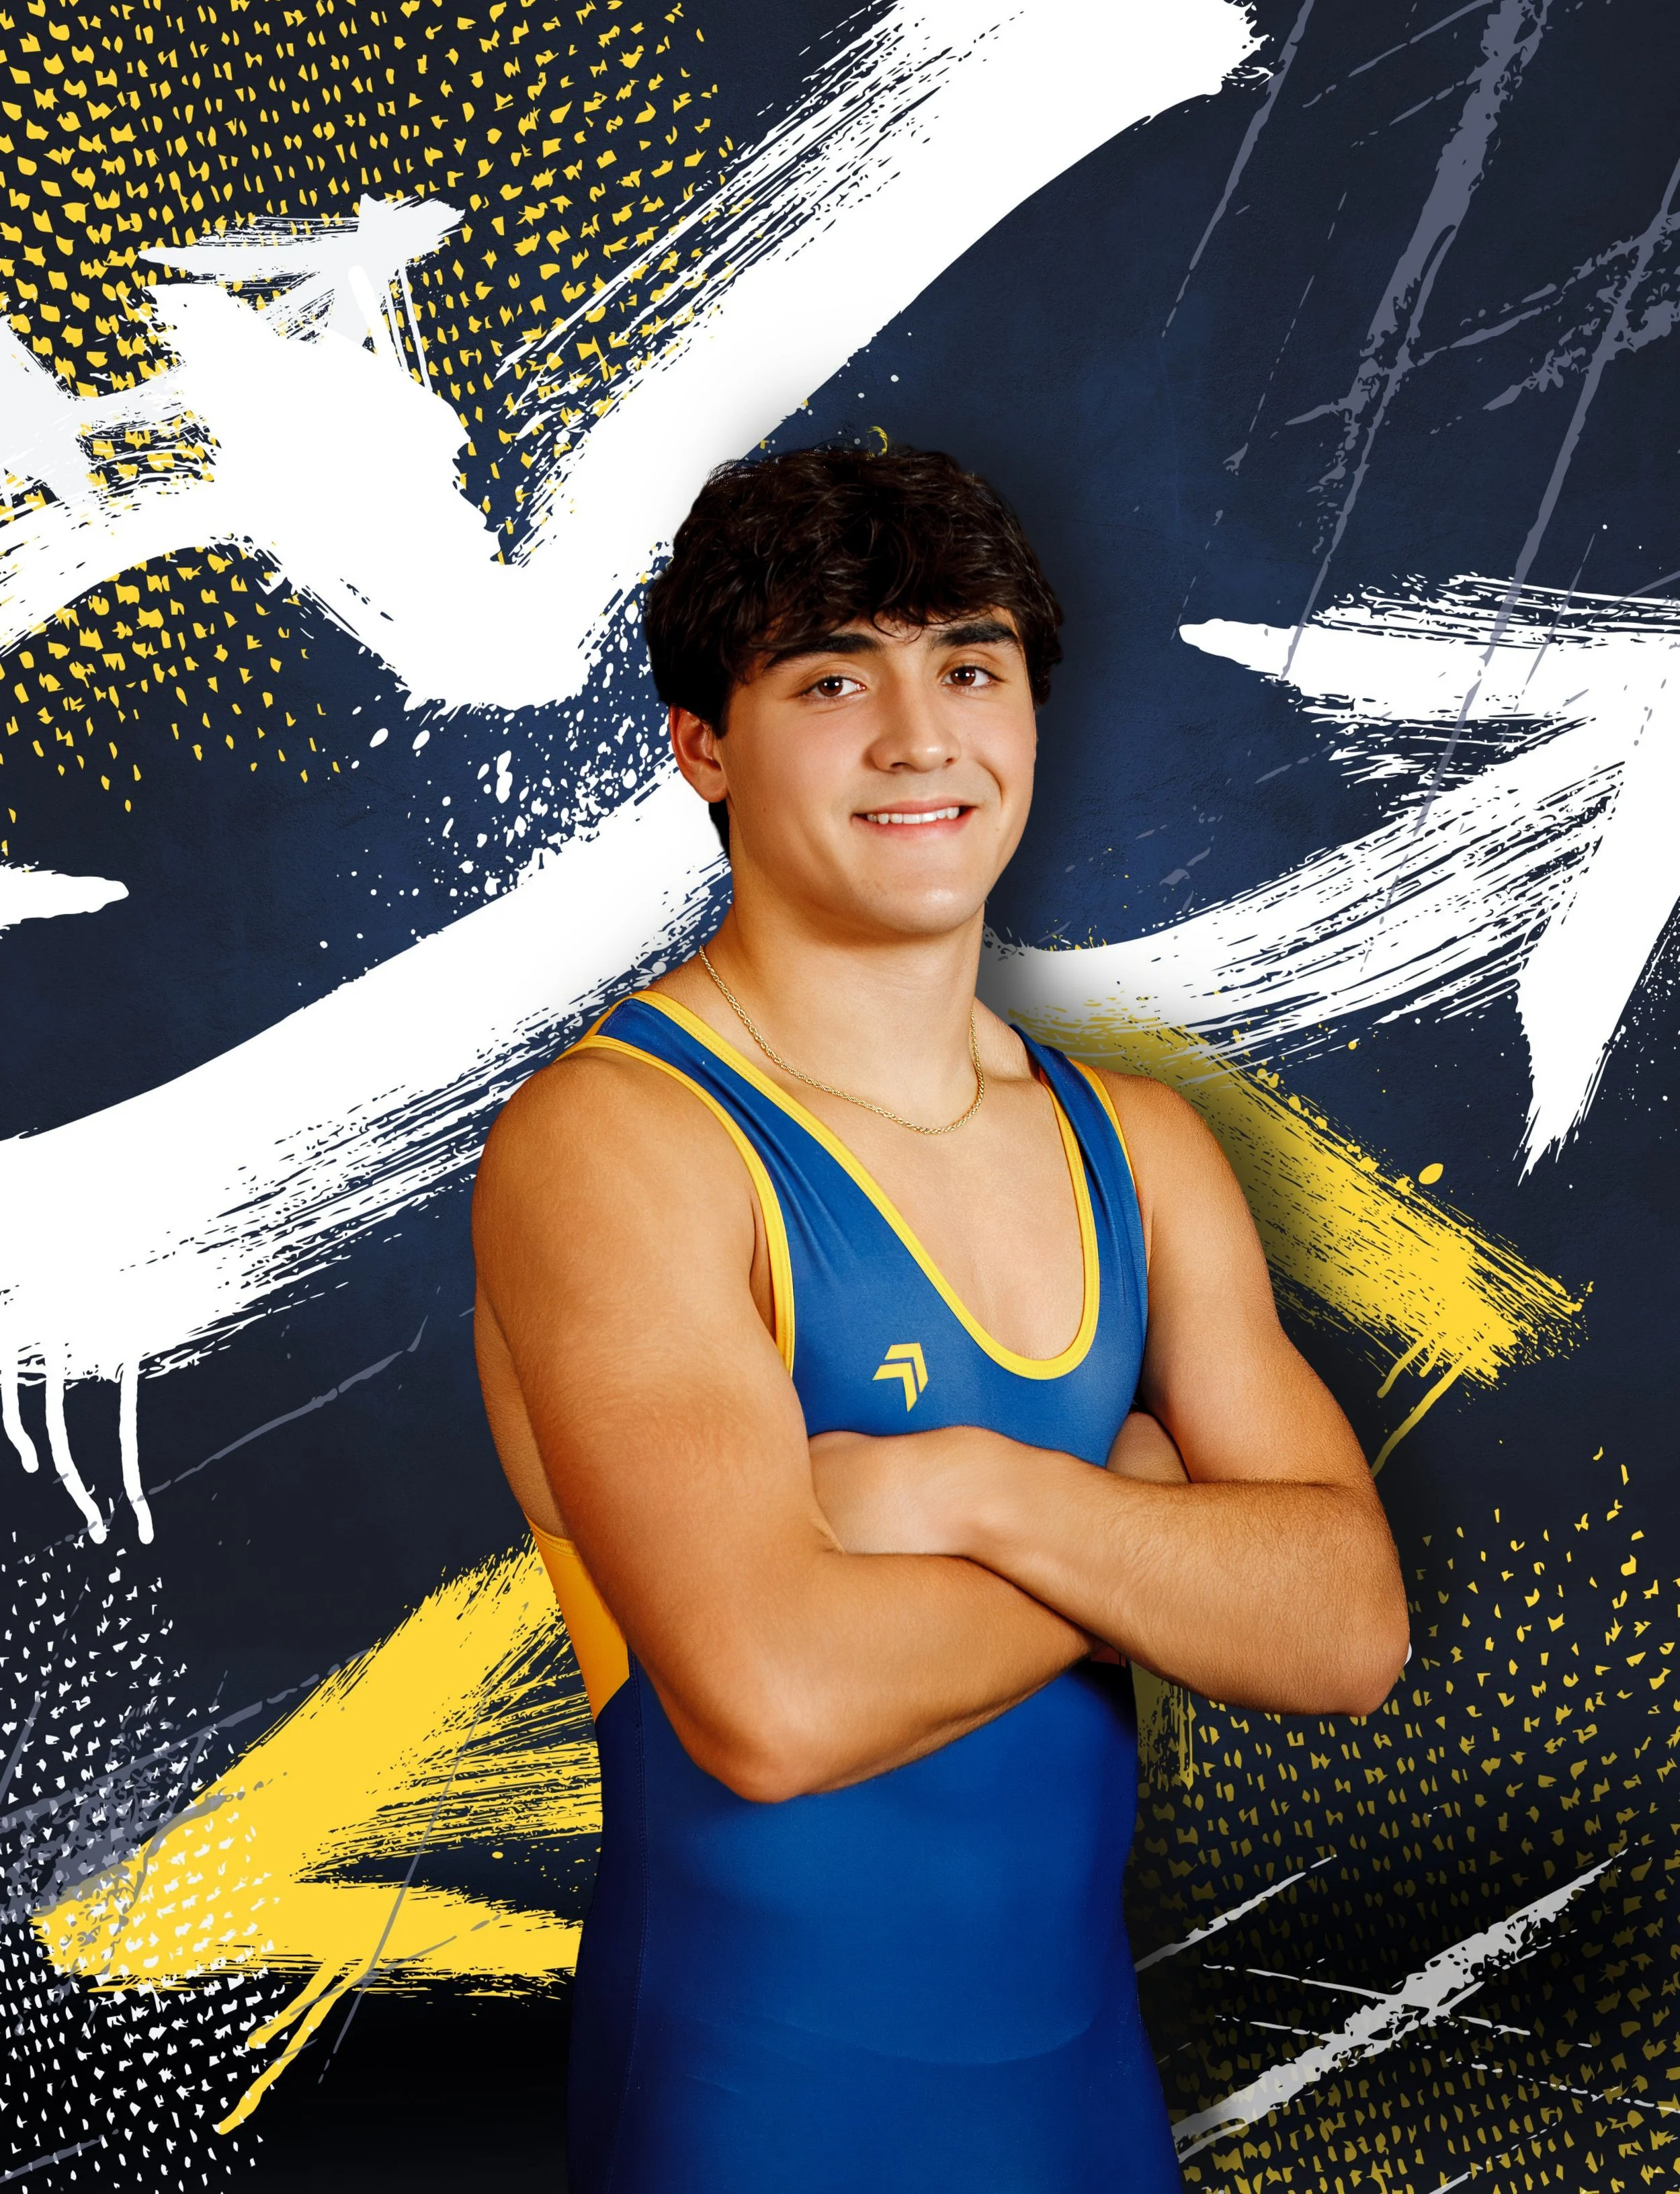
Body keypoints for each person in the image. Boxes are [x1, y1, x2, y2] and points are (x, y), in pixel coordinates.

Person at [472, 444, 1410, 2193]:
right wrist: (1151, 1535)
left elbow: (1344, 1628)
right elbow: (774, 1703)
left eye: (966, 666)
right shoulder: (616, 1142)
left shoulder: (1137, 1147)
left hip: (1082, 2118)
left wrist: (979, 1488)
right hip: (755, 2120)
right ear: (702, 744)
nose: (920, 736)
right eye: (833, 676)